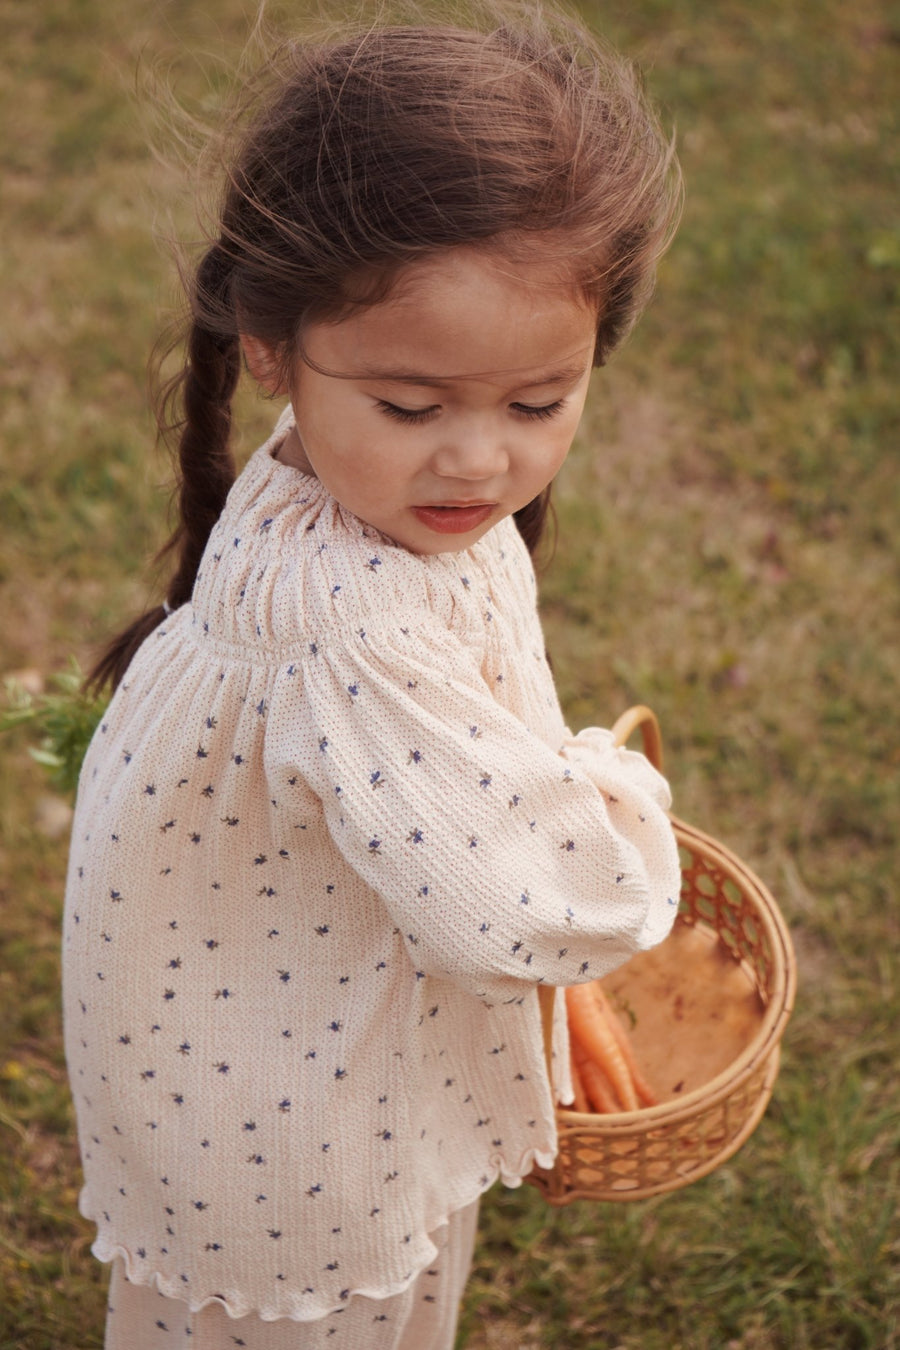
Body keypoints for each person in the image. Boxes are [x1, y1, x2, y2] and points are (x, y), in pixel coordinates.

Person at [62, 6, 683, 1347]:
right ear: (273, 348)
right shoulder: (350, 625)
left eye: (539, 402)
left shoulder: (364, 494)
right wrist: (623, 799)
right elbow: (532, 893)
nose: (477, 463)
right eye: (414, 407)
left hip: (286, 1036)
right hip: (297, 1124)